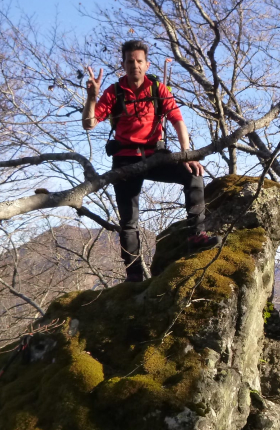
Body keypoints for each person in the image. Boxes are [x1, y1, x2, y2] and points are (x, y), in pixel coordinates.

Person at [82, 39, 219, 283]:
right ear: (123, 64)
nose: (134, 65)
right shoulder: (114, 92)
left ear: (146, 64)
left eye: (139, 61)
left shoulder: (157, 89)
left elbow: (178, 120)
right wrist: (91, 98)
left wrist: (187, 154)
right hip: (125, 160)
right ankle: (133, 274)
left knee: (194, 174)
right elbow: (89, 124)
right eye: (129, 61)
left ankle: (196, 235)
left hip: (156, 155)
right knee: (128, 220)